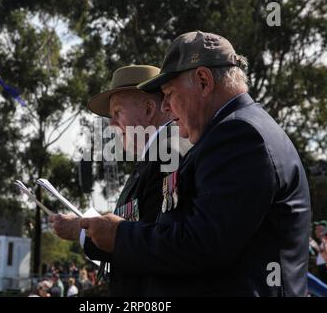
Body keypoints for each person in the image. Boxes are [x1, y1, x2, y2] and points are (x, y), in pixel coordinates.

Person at [80, 31, 311, 296]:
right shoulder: (234, 130)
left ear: (203, 81)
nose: (165, 106)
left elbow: (202, 244)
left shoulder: (239, 135)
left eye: (168, 93)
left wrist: (119, 235)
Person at [50, 65, 191, 296]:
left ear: (148, 109)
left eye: (117, 113)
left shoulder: (170, 152)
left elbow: (154, 241)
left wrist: (81, 230)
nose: (112, 125)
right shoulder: (157, 154)